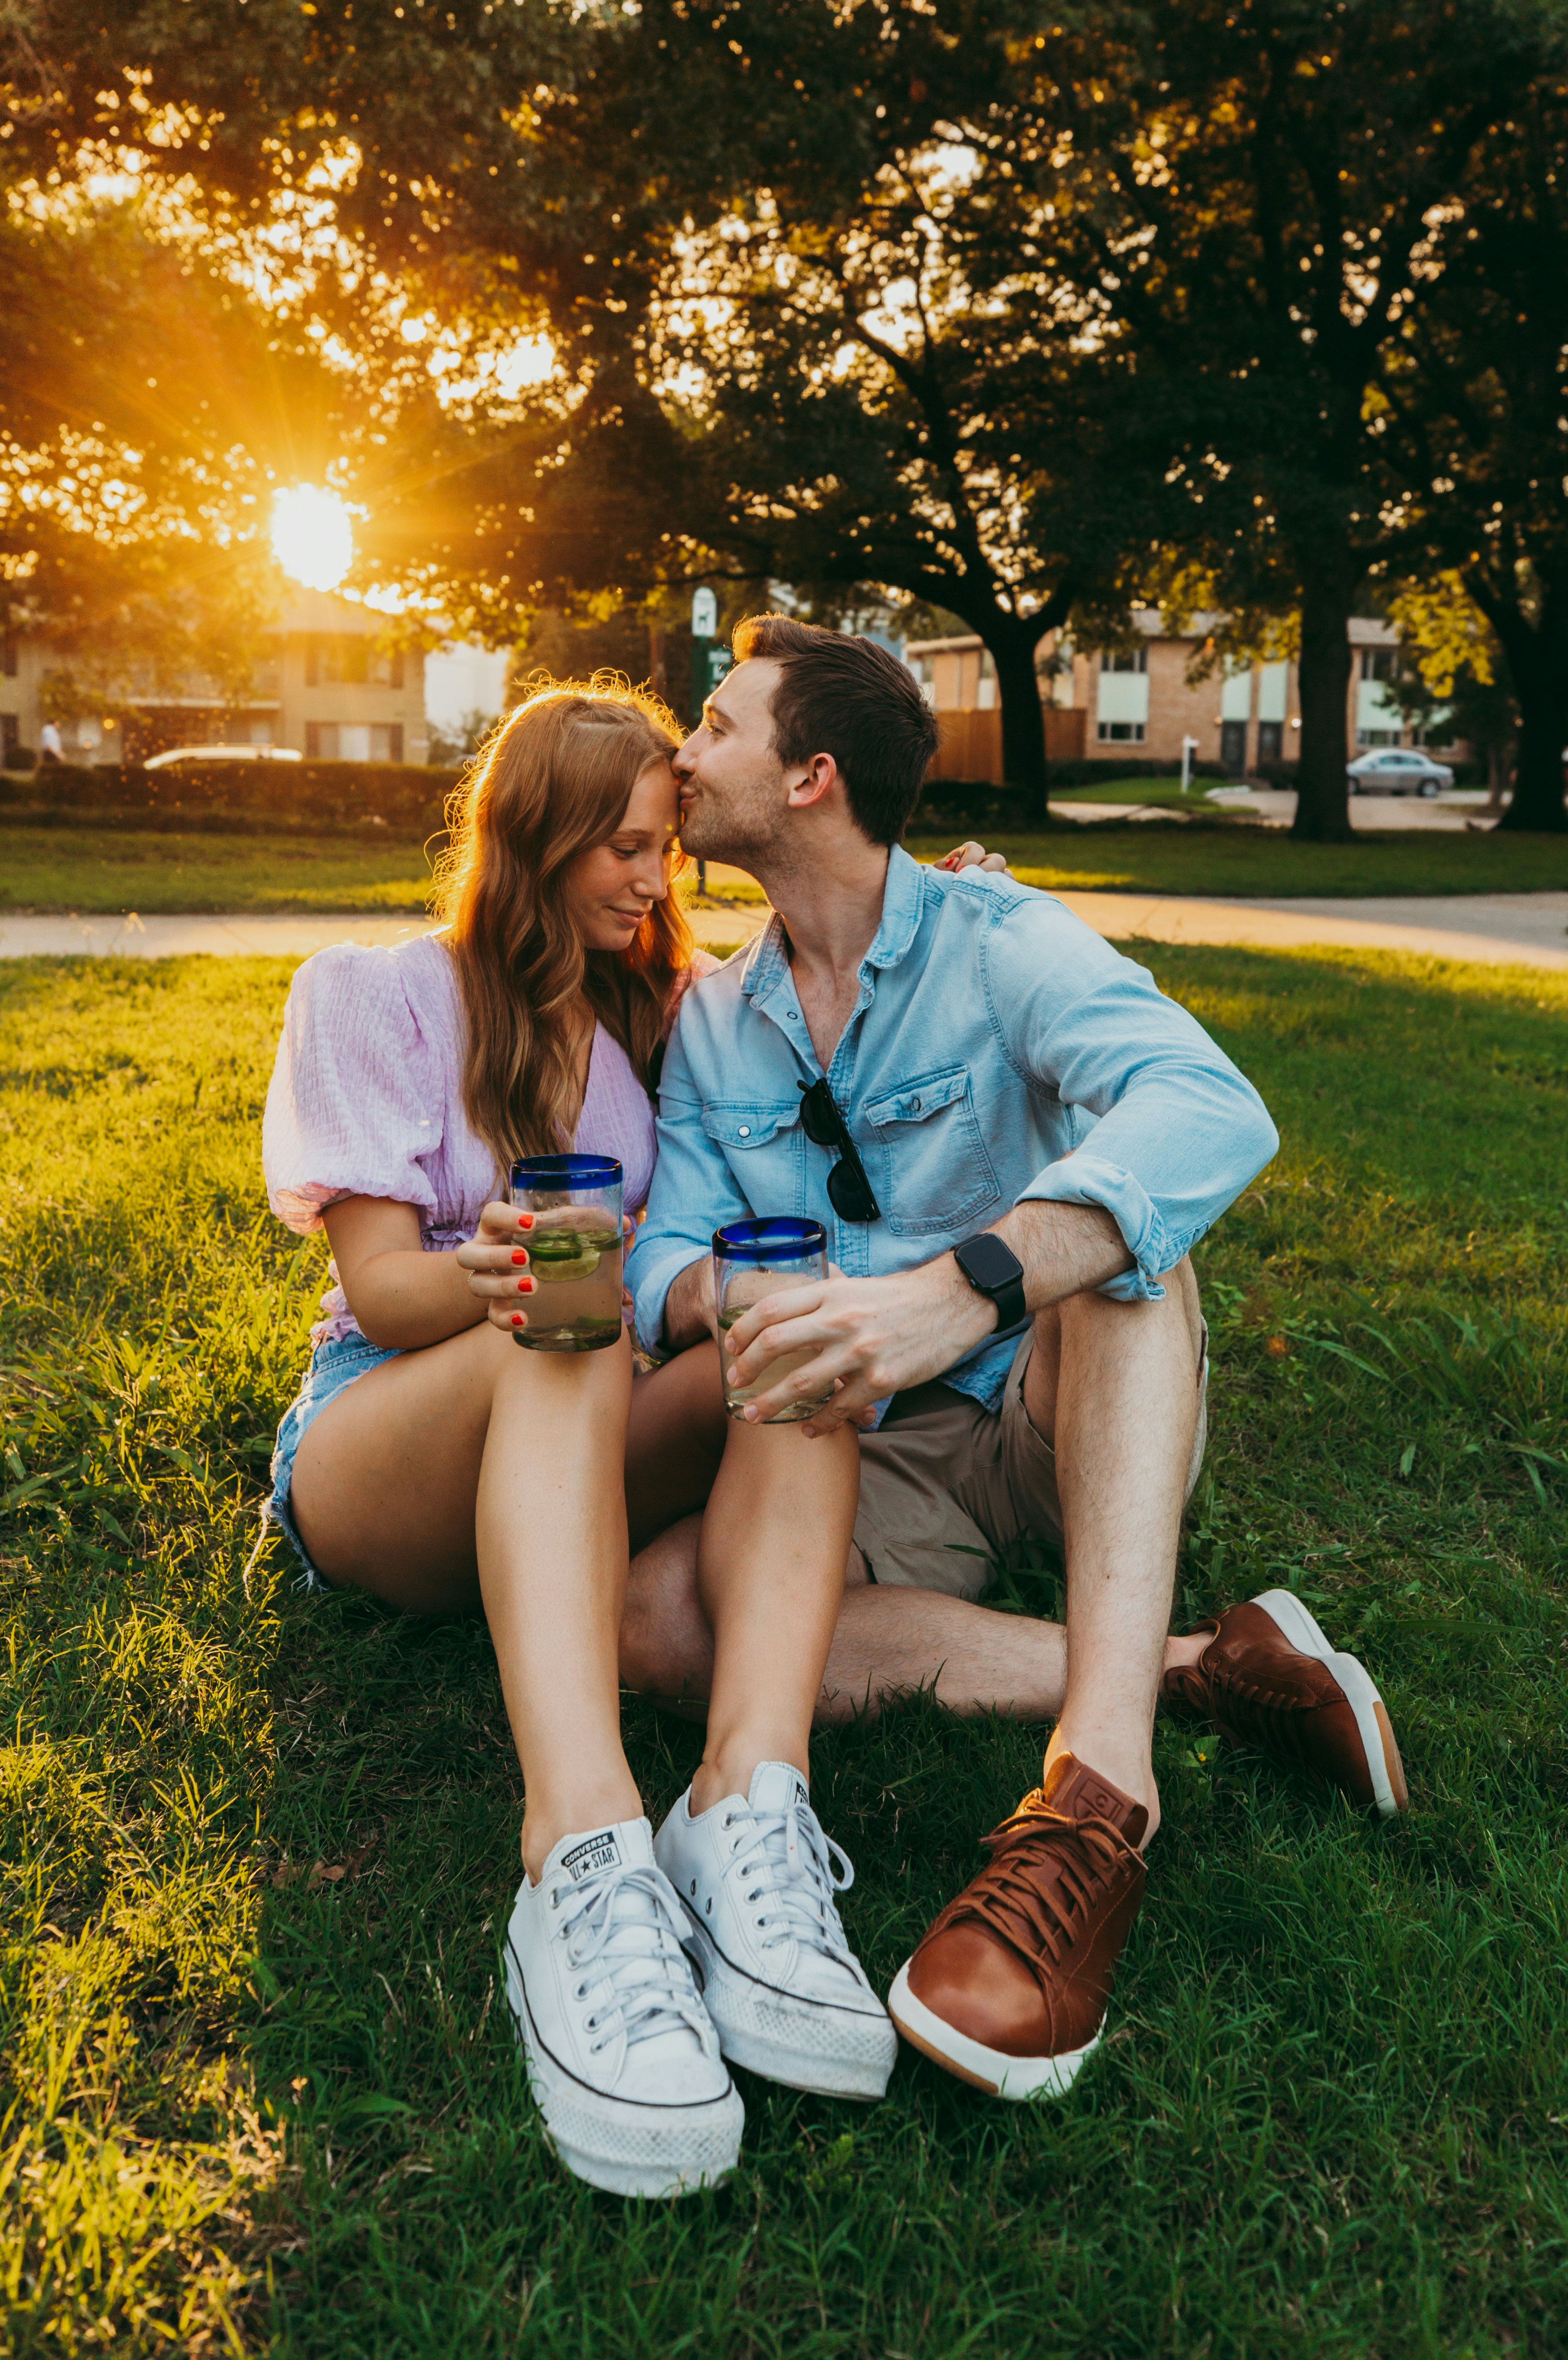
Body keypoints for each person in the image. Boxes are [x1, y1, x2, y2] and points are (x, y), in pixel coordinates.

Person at [623, 616, 1408, 2105]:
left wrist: (964, 1288)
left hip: (1063, 1418)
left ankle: (1096, 1804)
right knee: (661, 1619)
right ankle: (1204, 1668)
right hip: (875, 1456)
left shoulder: (1000, 938)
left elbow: (1212, 1108)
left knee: (1118, 1241)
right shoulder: (715, 1022)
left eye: (718, 723)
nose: (686, 749)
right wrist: (751, 1297)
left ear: (811, 778)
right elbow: (661, 1256)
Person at [259, 678, 1006, 2196]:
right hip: (383, 1446)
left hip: (576, 1431)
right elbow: (380, 1291)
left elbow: (809, 1000)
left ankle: (750, 1808)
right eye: (612, 847)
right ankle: (582, 1853)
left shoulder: (655, 1012)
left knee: (781, 1335)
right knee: (566, 1306)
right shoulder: (379, 992)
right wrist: (486, 1274)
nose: (646, 879)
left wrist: (942, 914)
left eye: (663, 848)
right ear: (526, 836)